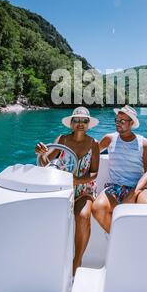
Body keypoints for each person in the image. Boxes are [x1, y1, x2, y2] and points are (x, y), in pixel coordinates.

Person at [35, 106, 100, 275]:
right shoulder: (62, 140)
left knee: (84, 216)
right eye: (76, 120)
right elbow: (45, 163)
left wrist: (75, 181)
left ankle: (77, 261)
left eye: (84, 121)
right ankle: (46, 258)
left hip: (84, 190)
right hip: (61, 188)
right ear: (71, 123)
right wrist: (41, 153)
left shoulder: (94, 144)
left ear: (88, 124)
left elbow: (94, 173)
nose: (80, 123)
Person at [92, 105, 147, 234]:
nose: (118, 123)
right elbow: (91, 154)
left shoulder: (143, 143)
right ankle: (118, 238)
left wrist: (134, 192)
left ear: (131, 123)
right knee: (97, 208)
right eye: (117, 120)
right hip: (115, 187)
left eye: (122, 121)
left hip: (138, 187)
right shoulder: (109, 139)